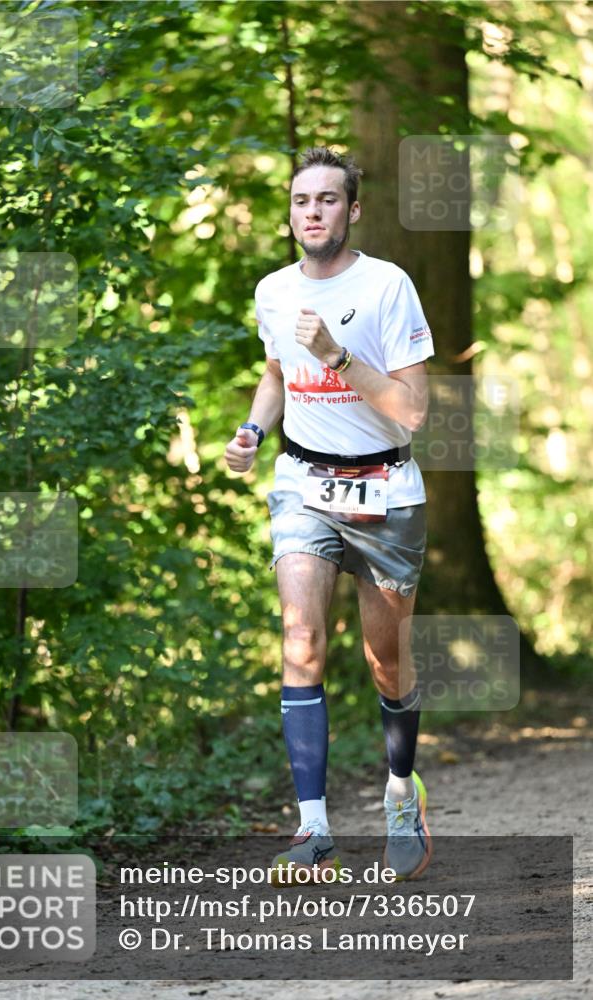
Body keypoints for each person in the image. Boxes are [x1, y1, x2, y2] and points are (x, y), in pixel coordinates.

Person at [225, 146, 434, 884]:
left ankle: (400, 792)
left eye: (325, 200)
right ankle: (314, 831)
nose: (310, 212)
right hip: (303, 485)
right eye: (299, 201)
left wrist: (340, 356)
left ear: (352, 210)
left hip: (384, 491)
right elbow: (276, 371)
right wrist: (252, 430)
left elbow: (412, 409)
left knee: (387, 662)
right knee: (301, 638)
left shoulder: (387, 285)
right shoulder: (272, 290)